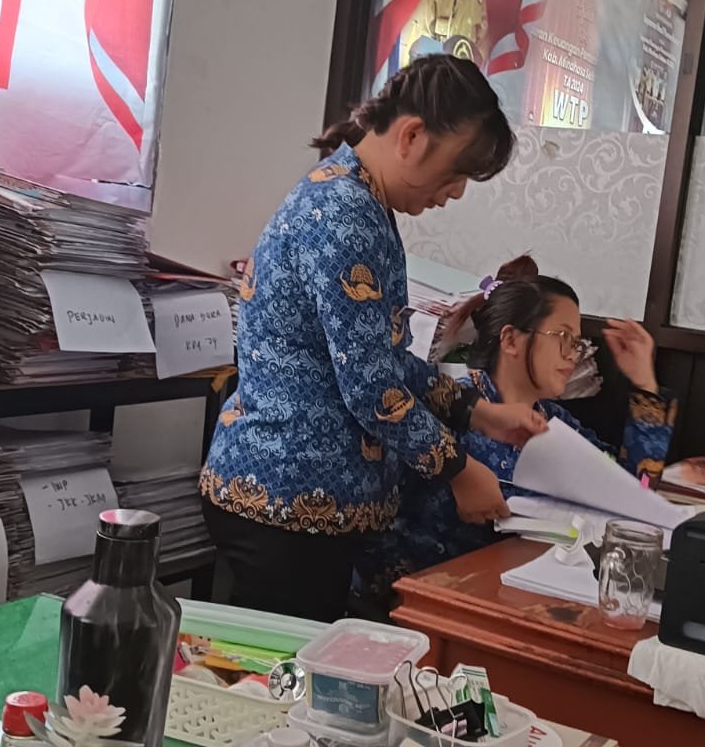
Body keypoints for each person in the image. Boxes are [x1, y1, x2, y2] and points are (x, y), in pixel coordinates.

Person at [200, 57, 547, 621]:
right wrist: (459, 470)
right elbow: (370, 388)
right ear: (412, 136)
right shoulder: (346, 213)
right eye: (456, 172)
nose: (456, 192)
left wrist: (477, 412)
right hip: (287, 500)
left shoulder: (360, 200)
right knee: (286, 669)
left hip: (302, 503)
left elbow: (381, 360)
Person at [355, 258, 676, 610]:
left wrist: (645, 383)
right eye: (563, 338)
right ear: (510, 340)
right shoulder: (453, 405)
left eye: (577, 343)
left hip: (517, 589)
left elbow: (634, 492)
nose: (572, 355)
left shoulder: (554, 422)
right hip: (422, 597)